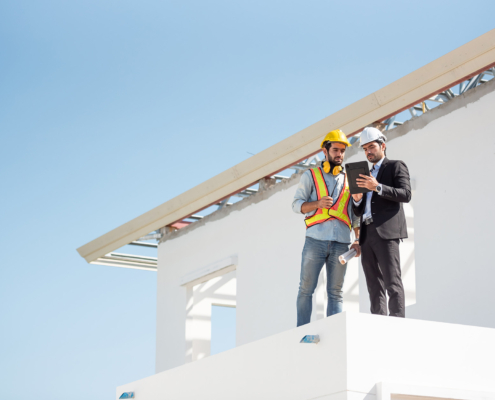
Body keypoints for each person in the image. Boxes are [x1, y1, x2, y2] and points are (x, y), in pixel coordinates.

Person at [292, 129, 360, 327]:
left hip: (341, 243)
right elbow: (296, 205)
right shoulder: (310, 175)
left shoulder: (351, 178)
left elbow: (356, 214)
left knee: (336, 292)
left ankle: (334, 331)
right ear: (325, 150)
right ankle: (301, 330)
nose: (339, 154)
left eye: (342, 151)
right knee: (306, 288)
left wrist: (357, 239)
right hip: (315, 240)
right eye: (336, 150)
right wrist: (317, 204)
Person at [351, 127, 411, 318]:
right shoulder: (363, 175)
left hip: (386, 232)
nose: (368, 151)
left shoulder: (395, 166)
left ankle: (398, 325)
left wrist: (377, 187)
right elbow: (358, 210)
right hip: (367, 234)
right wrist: (358, 198)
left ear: (382, 146)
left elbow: (405, 194)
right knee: (373, 286)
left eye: (371, 147)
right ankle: (377, 326)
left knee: (392, 282)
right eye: (365, 149)